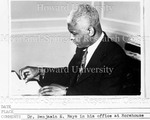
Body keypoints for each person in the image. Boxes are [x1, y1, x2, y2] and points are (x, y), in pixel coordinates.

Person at [19, 4, 127, 95]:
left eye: (74, 33)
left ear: (90, 31)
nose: (71, 38)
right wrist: (39, 71)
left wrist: (66, 92)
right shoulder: (83, 46)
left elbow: (105, 97)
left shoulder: (115, 57)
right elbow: (71, 74)